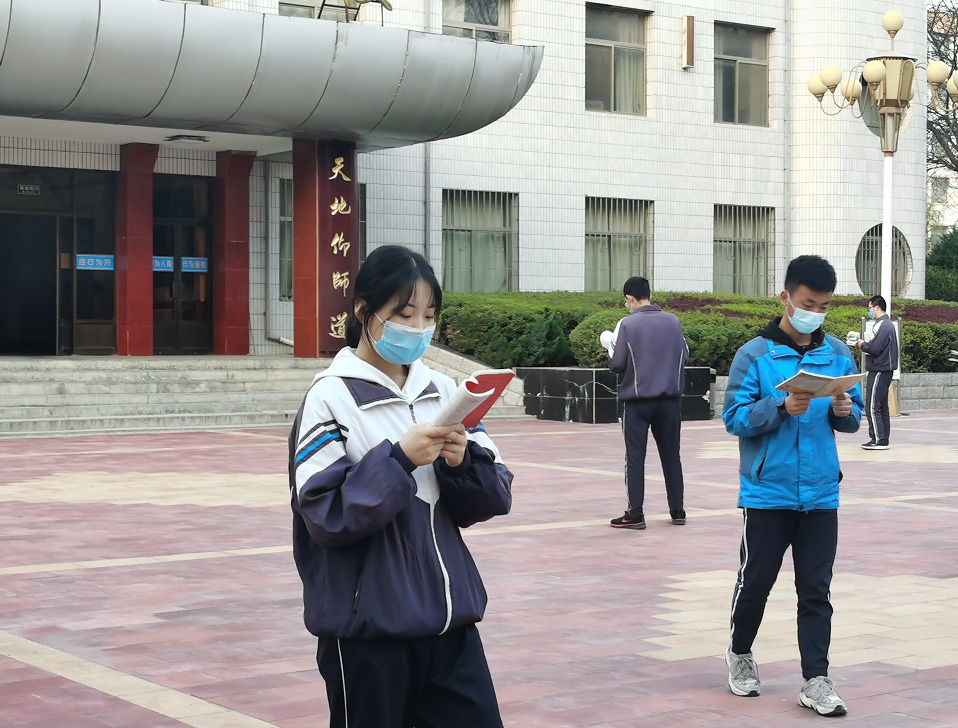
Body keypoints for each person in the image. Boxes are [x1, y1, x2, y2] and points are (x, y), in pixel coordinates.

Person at [288, 245, 514, 728]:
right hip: (370, 633)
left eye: (428, 315)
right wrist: (398, 460)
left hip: (449, 623)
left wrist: (461, 462)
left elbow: (495, 493)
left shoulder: (445, 392)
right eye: (404, 314)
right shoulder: (331, 396)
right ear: (364, 312)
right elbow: (326, 515)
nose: (417, 327)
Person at [722, 255, 864, 717]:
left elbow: (853, 418)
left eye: (824, 306)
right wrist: (780, 406)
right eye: (808, 303)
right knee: (757, 580)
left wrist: (846, 412)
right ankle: (740, 653)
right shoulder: (754, 355)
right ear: (785, 297)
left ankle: (816, 680)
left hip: (822, 492)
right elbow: (733, 419)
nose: (816, 313)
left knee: (816, 589)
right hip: (768, 492)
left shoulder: (838, 354)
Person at [606, 276, 689, 530]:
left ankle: (635, 513)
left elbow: (617, 364)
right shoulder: (673, 321)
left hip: (638, 402)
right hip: (669, 402)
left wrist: (607, 345)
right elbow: (684, 354)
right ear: (649, 295)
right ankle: (677, 510)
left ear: (630, 298)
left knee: (635, 458)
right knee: (672, 456)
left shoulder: (627, 324)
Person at [855, 295, 899, 451]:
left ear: (877, 307)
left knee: (873, 405)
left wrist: (862, 345)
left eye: (870, 308)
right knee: (881, 406)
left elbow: (874, 349)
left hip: (879, 370)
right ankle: (883, 438)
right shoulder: (887, 324)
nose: (869, 311)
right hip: (884, 370)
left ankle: (877, 439)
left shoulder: (882, 325)